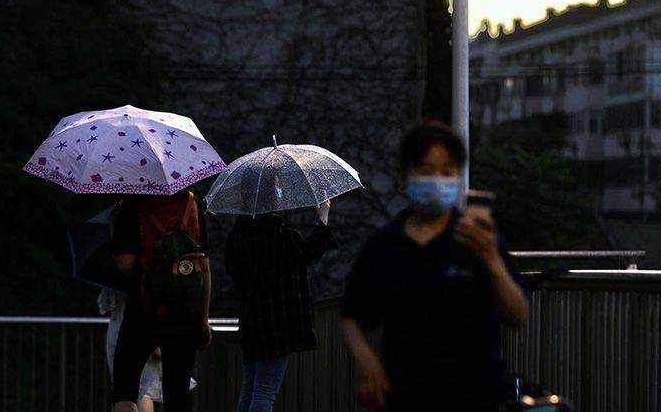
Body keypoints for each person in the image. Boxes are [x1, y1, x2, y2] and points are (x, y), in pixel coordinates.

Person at [340, 122, 529, 411]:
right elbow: (352, 310)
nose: (437, 180)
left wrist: (490, 259)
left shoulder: (477, 239)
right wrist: (365, 360)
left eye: (447, 171)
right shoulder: (384, 244)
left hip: (477, 396)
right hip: (404, 395)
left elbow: (518, 314)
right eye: (426, 171)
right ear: (405, 174)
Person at [224, 200, 337, 412]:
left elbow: (232, 268)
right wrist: (323, 217)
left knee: (250, 389)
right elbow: (307, 252)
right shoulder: (276, 231)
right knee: (265, 392)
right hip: (277, 322)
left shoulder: (238, 233)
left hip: (251, 320)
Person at [110, 190, 212, 412]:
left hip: (144, 309)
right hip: (186, 314)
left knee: (124, 391)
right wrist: (203, 318)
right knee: (177, 396)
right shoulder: (192, 204)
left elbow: (126, 263)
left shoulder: (133, 205)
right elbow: (203, 268)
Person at [99, 289, 199, 412]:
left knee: (135, 391)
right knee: (140, 390)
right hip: (145, 324)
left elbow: (108, 302)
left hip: (131, 327)